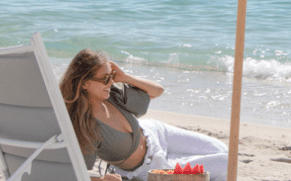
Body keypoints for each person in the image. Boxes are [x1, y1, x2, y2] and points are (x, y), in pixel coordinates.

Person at [61, 49, 228, 181]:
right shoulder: (85, 127)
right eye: (105, 79)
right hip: (151, 166)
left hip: (157, 133)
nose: (111, 82)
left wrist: (125, 77)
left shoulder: (112, 94)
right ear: (84, 83)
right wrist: (102, 179)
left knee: (221, 149)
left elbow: (157, 91)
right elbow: (77, 173)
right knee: (225, 164)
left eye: (111, 76)